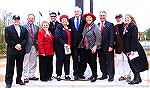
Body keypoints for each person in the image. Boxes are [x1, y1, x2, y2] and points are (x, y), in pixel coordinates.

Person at [123, 14, 148, 85]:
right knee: (131, 63)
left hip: (134, 49)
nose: (126, 19)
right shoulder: (126, 27)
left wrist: (133, 50)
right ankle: (138, 78)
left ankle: (136, 79)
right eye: (125, 18)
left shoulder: (133, 26)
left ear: (131, 19)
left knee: (135, 63)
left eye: (128, 18)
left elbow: (134, 38)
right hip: (128, 49)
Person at [5, 15, 28, 88]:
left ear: (19, 21)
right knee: (10, 67)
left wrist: (20, 45)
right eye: (15, 20)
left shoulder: (24, 29)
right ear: (13, 20)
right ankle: (8, 82)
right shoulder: (8, 28)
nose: (16, 21)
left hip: (21, 51)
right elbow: (7, 38)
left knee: (20, 66)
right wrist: (15, 45)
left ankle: (19, 80)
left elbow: (25, 39)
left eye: (18, 20)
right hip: (12, 51)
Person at [79, 13, 101, 82]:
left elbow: (98, 37)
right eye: (87, 18)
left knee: (93, 61)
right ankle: (93, 74)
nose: (88, 19)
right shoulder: (85, 26)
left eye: (90, 18)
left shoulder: (95, 26)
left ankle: (94, 75)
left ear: (92, 19)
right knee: (88, 61)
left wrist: (95, 46)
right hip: (86, 47)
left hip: (92, 47)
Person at [69, 6, 86, 80]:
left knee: (82, 59)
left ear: (80, 12)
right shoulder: (70, 20)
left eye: (78, 11)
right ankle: (75, 73)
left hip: (82, 44)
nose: (76, 13)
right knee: (75, 59)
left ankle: (81, 73)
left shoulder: (84, 20)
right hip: (74, 44)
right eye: (75, 11)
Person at [97, 11, 115, 82]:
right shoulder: (97, 25)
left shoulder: (110, 25)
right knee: (102, 61)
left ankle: (111, 76)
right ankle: (104, 75)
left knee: (110, 61)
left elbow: (112, 36)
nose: (102, 17)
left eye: (103, 15)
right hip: (100, 47)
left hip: (108, 47)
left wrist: (111, 46)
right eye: (101, 15)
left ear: (106, 16)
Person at [114, 14, 131, 82]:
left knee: (126, 61)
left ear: (122, 18)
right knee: (119, 61)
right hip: (118, 48)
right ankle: (122, 75)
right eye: (117, 18)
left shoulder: (126, 26)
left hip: (126, 47)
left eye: (120, 18)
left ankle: (127, 75)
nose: (118, 19)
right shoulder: (115, 27)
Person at [22, 14, 39, 83]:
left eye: (32, 18)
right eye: (30, 18)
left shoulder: (36, 27)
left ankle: (31, 75)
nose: (31, 19)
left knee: (33, 61)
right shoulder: (23, 26)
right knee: (25, 62)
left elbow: (37, 37)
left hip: (34, 46)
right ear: (27, 19)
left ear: (34, 19)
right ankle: (25, 76)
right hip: (26, 46)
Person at [55, 15, 71, 81]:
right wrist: (64, 44)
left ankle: (67, 74)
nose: (64, 20)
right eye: (63, 19)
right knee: (60, 61)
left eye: (65, 19)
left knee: (67, 61)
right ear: (61, 20)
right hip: (60, 47)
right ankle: (58, 75)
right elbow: (57, 36)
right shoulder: (59, 26)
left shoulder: (69, 27)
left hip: (68, 47)